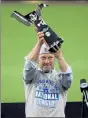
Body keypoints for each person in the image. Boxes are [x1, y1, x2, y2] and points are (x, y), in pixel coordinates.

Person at [22, 31, 73, 117]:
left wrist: (60, 57)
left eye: (50, 58)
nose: (47, 61)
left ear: (54, 59)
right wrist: (39, 44)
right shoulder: (32, 76)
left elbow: (67, 79)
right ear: (38, 59)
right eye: (43, 58)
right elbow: (28, 65)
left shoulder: (59, 77)